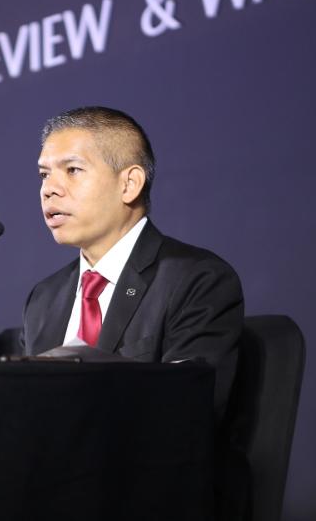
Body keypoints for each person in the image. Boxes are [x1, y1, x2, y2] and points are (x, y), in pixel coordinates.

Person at [22, 106, 243, 416]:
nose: (49, 190)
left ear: (129, 184)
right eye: (44, 175)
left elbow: (185, 413)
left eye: (72, 170)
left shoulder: (197, 280)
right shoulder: (43, 299)